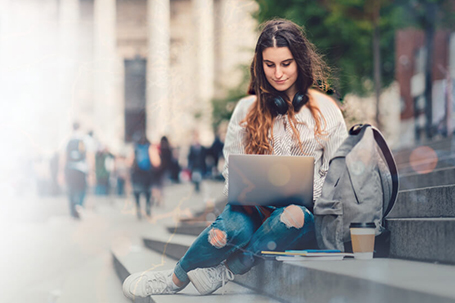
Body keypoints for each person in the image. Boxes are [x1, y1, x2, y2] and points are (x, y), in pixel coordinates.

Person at [122, 19, 347, 299]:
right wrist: (252, 194)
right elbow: (232, 174)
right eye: (270, 65)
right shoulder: (245, 110)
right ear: (259, 65)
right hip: (253, 210)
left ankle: (223, 272)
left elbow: (339, 180)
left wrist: (298, 193)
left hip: (306, 218)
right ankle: (174, 279)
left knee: (291, 215)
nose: (278, 74)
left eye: (286, 64)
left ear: (300, 62)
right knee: (229, 228)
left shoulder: (327, 111)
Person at [60, 122, 94, 219]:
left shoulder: (67, 139)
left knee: (71, 189)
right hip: (82, 169)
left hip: (70, 169)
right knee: (82, 189)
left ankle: (72, 210)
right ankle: (79, 205)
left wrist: (61, 172)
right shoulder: (86, 139)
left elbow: (63, 157)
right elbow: (90, 157)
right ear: (80, 127)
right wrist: (91, 172)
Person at [129, 132, 161, 219]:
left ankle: (139, 209)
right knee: (147, 193)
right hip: (147, 174)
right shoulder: (150, 148)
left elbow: (129, 162)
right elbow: (156, 162)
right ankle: (147, 209)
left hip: (137, 175)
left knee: (137, 193)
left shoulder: (135, 149)